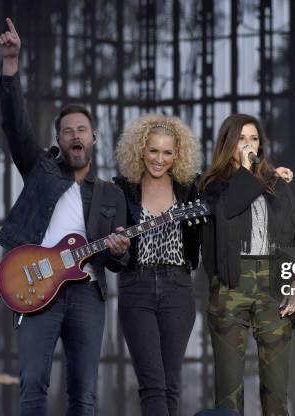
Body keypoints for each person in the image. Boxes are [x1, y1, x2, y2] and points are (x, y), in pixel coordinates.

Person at [0, 18, 130, 415]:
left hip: (87, 292)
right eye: (68, 130)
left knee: (83, 392)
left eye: (82, 130)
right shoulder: (41, 170)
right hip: (35, 285)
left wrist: (120, 250)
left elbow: (116, 260)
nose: (75, 136)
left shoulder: (111, 193)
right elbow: (15, 124)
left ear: (93, 138)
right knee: (33, 382)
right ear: (59, 140)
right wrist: (10, 64)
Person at [200, 113, 295, 416]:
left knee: (276, 391)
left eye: (254, 139)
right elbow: (229, 208)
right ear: (228, 143)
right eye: (242, 139)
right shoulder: (211, 186)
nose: (249, 144)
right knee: (229, 390)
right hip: (231, 285)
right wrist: (247, 171)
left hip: (273, 285)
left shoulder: (277, 185)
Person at [113, 114, 201, 416]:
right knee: (152, 384)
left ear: (177, 155)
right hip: (135, 287)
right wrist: (117, 249)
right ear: (140, 150)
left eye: (167, 152)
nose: (159, 159)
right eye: (153, 150)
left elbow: (227, 197)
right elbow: (115, 258)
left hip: (178, 287)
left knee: (171, 384)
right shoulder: (122, 190)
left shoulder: (191, 190)